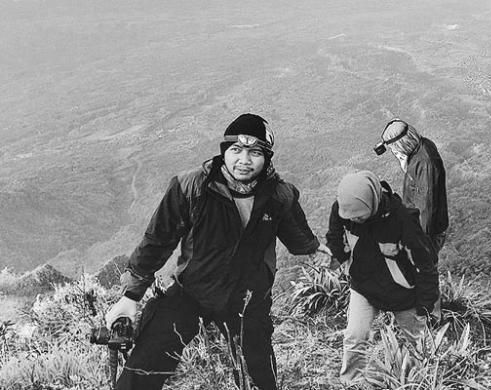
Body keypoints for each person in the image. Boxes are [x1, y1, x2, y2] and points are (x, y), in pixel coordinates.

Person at [103, 113, 331, 390]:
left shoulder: (279, 196)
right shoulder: (192, 188)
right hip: (193, 291)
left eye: (255, 152)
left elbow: (297, 236)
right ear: (224, 152)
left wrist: (314, 249)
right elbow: (157, 241)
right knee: (144, 364)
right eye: (236, 150)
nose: (244, 160)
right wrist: (130, 296)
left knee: (260, 375)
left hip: (248, 299)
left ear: (267, 157)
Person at [325, 171, 439, 386]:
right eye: (350, 217)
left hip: (402, 293)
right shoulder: (344, 209)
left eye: (359, 216)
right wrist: (337, 255)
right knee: (355, 336)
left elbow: (426, 264)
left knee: (418, 341)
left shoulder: (402, 220)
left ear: (373, 201)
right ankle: (351, 382)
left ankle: (422, 381)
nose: (353, 220)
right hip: (364, 285)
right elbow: (335, 235)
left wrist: (425, 305)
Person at [375, 118, 448, 255]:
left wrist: (417, 245)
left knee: (422, 271)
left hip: (427, 235)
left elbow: (426, 209)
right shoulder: (421, 147)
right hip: (415, 223)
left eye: (394, 150)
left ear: (403, 144)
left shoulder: (425, 165)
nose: (393, 153)